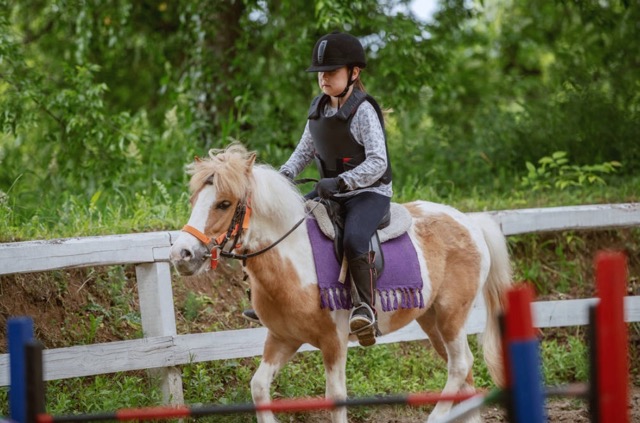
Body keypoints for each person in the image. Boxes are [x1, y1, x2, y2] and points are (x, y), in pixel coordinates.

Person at [243, 31, 392, 347]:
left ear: (354, 73)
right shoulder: (318, 108)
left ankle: (365, 308)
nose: (324, 78)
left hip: (369, 193)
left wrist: (342, 181)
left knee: (353, 238)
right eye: (320, 73)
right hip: (331, 191)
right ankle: (273, 300)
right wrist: (283, 177)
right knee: (286, 223)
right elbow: (303, 152)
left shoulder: (363, 110)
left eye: (332, 72)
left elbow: (379, 161)